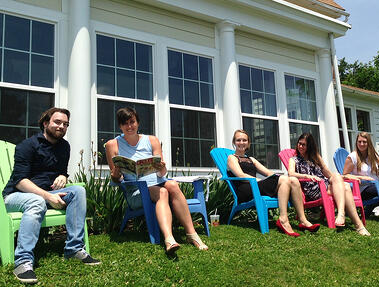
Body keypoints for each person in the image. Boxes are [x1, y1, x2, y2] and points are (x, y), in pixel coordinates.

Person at [2, 108, 100, 284]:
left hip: (45, 195)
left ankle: (74, 249)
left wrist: (63, 176)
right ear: (45, 123)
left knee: (78, 191)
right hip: (15, 197)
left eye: (65, 124)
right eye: (57, 122)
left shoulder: (64, 147)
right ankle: (23, 262)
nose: (62, 126)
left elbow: (60, 172)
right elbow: (20, 181)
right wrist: (48, 196)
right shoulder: (28, 146)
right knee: (36, 200)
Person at [105, 107, 207, 255]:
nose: (129, 126)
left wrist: (161, 167)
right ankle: (169, 238)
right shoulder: (112, 145)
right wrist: (115, 174)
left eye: (132, 122)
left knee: (171, 184)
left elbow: (162, 173)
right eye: (125, 123)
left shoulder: (152, 140)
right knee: (162, 192)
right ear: (120, 126)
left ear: (138, 123)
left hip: (157, 182)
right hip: (136, 190)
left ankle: (191, 234)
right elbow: (116, 179)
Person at [228, 129, 320, 237]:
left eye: (244, 140)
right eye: (238, 140)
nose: (241, 143)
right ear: (234, 142)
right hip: (246, 189)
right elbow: (241, 175)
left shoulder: (251, 159)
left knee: (293, 180)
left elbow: (268, 172)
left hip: (257, 186)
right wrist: (261, 180)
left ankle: (303, 220)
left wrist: (274, 177)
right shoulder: (232, 158)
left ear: (248, 143)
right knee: (285, 179)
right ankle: (283, 220)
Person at [287, 133, 370, 236]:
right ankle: (356, 224)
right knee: (346, 187)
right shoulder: (294, 159)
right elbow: (291, 173)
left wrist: (342, 177)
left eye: (304, 144)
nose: (301, 146)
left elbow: (329, 175)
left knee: (344, 184)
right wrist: (307, 176)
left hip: (324, 186)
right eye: (300, 143)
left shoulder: (316, 158)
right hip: (312, 190)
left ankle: (344, 216)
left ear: (310, 146)